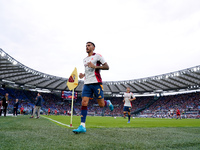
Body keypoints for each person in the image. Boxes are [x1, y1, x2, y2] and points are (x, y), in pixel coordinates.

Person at [73, 41, 113, 134]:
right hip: (87, 83)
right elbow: (88, 71)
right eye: (86, 46)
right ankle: (82, 126)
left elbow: (107, 67)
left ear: (93, 47)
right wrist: (83, 75)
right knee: (84, 102)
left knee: (101, 104)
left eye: (89, 45)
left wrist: (95, 66)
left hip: (96, 83)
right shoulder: (84, 59)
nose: (87, 47)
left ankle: (108, 102)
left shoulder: (98, 56)